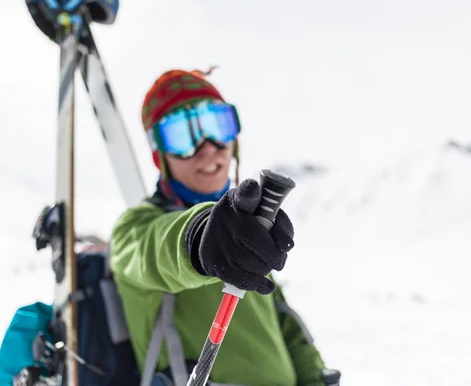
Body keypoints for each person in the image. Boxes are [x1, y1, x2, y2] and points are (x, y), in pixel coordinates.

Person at [110, 68, 336, 386]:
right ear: (159, 154)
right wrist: (200, 236)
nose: (207, 147)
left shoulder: (245, 234)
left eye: (217, 125)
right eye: (182, 135)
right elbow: (153, 249)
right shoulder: (134, 229)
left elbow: (286, 326)